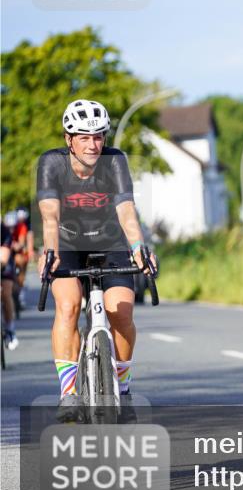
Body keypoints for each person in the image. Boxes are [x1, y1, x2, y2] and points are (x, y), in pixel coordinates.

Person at [36, 99, 155, 422]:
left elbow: (126, 210)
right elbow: (49, 215)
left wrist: (138, 247)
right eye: (84, 137)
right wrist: (50, 251)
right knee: (69, 305)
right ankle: (68, 393)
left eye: (99, 136)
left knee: (122, 312)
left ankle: (123, 389)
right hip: (66, 243)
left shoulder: (114, 161)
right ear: (69, 139)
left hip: (111, 242)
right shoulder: (51, 163)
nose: (93, 144)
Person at [11, 207, 33, 308]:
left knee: (21, 264)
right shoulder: (8, 225)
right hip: (9, 252)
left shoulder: (25, 227)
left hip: (20, 252)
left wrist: (29, 252)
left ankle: (20, 293)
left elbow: (25, 241)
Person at [1, 220, 17, 350]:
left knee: (5, 293)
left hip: (3, 262)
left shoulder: (3, 230)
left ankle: (10, 329)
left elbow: (4, 259)